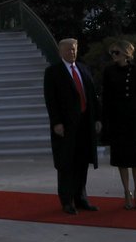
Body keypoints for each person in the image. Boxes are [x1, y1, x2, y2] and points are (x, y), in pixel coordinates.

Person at [43, 38, 102, 215]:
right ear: (61, 52)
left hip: (85, 124)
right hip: (66, 126)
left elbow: (92, 95)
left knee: (82, 162)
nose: (72, 52)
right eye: (68, 50)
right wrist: (57, 123)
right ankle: (67, 201)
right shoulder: (53, 72)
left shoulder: (84, 69)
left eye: (74, 49)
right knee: (66, 163)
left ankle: (81, 198)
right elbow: (50, 100)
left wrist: (97, 118)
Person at [101, 40, 136, 210]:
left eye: (116, 52)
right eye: (112, 53)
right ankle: (126, 192)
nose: (113, 56)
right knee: (122, 159)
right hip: (117, 121)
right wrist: (105, 121)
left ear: (126, 53)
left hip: (134, 121)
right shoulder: (109, 71)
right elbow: (105, 97)